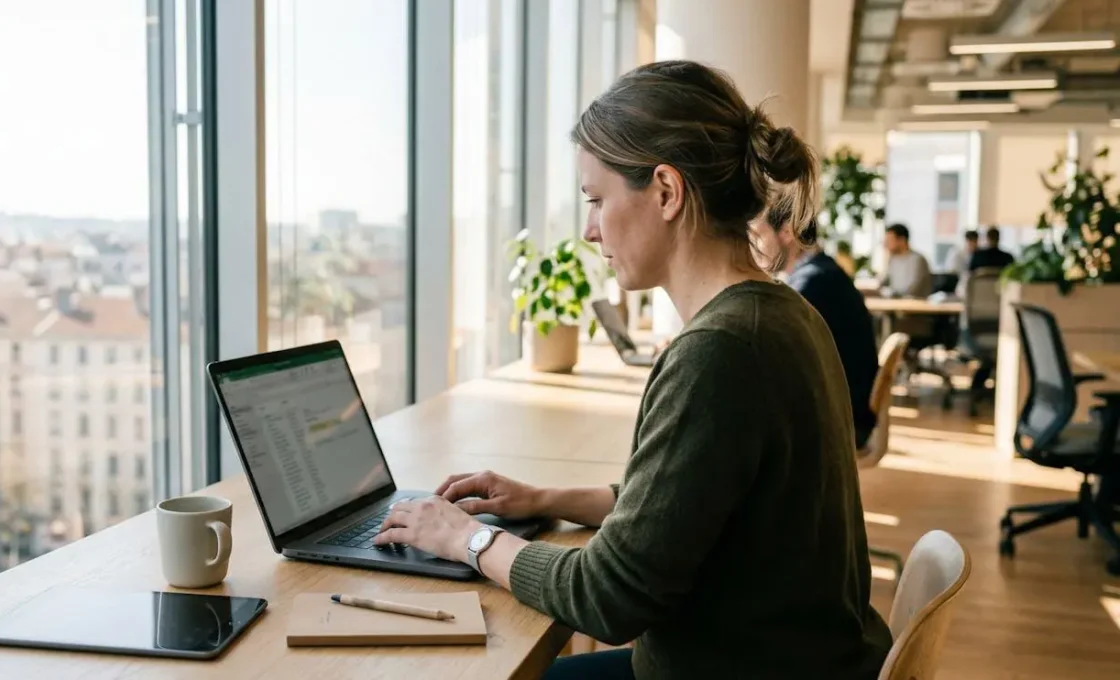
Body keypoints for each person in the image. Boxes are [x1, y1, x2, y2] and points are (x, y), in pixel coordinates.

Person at [374, 60, 892, 680]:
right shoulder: (782, 313)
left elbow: (608, 597)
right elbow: (679, 508)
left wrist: (466, 538)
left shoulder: (721, 350)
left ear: (667, 192)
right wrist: (543, 499)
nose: (590, 230)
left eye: (597, 200)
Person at [752, 196, 879, 450]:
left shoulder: (811, 285)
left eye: (758, 236)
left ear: (787, 233)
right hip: (845, 413)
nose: (754, 247)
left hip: (840, 425)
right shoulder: (822, 273)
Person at [879, 223, 932, 298]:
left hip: (914, 303)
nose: (885, 245)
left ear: (902, 240)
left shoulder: (917, 259)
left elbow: (912, 290)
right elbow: (884, 282)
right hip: (895, 302)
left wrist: (890, 293)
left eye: (889, 241)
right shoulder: (893, 259)